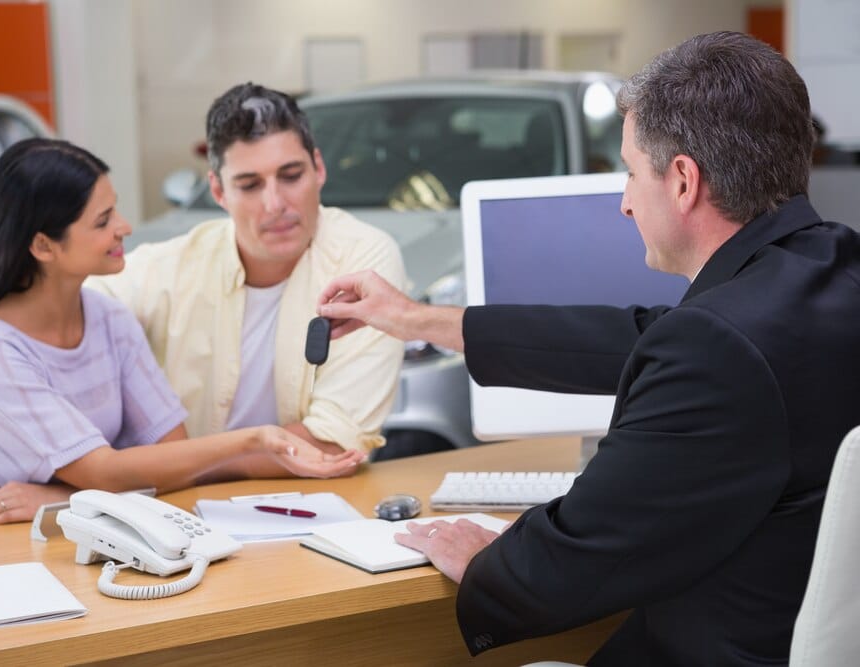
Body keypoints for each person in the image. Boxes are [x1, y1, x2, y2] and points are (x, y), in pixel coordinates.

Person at [317, 32, 860, 665]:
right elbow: (645, 337)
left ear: (683, 180)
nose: (626, 202)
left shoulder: (715, 347)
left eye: (631, 172)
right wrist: (416, 319)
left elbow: (570, 564)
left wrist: (490, 558)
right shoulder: (830, 270)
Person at [0, 83, 405, 522]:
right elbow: (29, 314)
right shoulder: (153, 275)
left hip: (156, 520)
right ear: (218, 190)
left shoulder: (108, 318)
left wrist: (81, 495)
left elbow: (330, 445)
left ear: (318, 167)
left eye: (290, 175)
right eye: (249, 184)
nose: (275, 204)